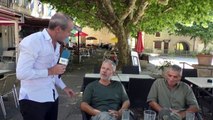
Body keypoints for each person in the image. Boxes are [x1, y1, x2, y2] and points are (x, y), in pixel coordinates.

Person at [16, 13, 75, 120]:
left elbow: (54, 73)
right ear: (58, 29)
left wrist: (64, 87)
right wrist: (50, 71)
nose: (69, 35)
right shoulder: (32, 41)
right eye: (68, 31)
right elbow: (21, 73)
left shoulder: (57, 44)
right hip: (33, 100)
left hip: (52, 97)